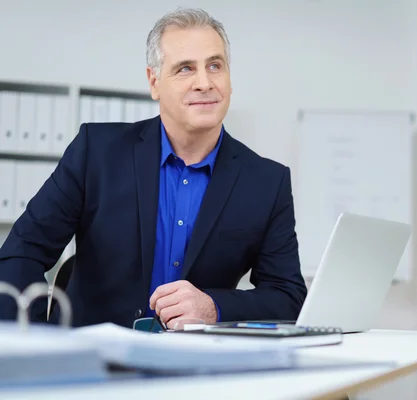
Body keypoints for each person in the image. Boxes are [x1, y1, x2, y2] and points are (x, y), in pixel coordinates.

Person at [0, 7, 307, 329]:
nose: (204, 83)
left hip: (198, 366)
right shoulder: (97, 151)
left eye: (215, 65)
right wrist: (36, 342)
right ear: (154, 81)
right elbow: (21, 254)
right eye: (185, 69)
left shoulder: (266, 182)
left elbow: (287, 296)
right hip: (91, 361)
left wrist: (215, 307)